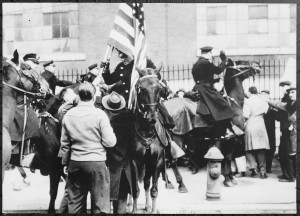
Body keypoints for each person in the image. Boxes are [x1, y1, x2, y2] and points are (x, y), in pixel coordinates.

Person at [59, 82, 116, 214]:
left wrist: (65, 163)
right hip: (97, 163)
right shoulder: (100, 114)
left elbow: (65, 143)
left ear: (79, 95)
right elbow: (110, 142)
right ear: (94, 95)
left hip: (75, 163)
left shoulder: (69, 115)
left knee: (75, 205)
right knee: (100, 205)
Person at [101, 49, 174, 129]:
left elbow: (156, 78)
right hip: (127, 98)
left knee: (156, 108)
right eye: (119, 54)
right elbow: (109, 80)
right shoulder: (121, 66)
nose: (121, 57)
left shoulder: (144, 62)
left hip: (144, 96)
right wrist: (106, 69)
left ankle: (168, 131)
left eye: (123, 54)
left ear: (131, 53)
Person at [102, 91, 134, 214]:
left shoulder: (104, 118)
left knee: (105, 198)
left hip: (108, 163)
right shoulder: (129, 119)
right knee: (122, 198)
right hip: (124, 164)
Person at [189, 46, 236, 123]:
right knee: (223, 105)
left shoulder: (197, 63)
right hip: (205, 89)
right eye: (210, 53)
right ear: (208, 53)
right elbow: (218, 70)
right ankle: (223, 128)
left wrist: (216, 80)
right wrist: (224, 60)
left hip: (197, 87)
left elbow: (203, 78)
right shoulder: (205, 63)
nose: (211, 55)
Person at [267, 85, 296, 182]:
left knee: (289, 155)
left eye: (293, 92)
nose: (290, 94)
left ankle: (290, 177)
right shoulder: (290, 104)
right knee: (284, 154)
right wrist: (267, 100)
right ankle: (287, 175)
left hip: (293, 134)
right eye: (290, 92)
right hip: (288, 132)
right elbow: (279, 105)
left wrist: (293, 125)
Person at [243, 86, 270, 179]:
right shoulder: (262, 101)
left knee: (249, 149)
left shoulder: (247, 101)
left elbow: (245, 115)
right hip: (260, 126)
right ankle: (263, 172)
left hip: (250, 125)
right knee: (261, 149)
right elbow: (266, 111)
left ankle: (253, 168)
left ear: (249, 92)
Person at [260, 90, 277, 173]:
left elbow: (278, 117)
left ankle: (268, 168)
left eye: (265, 96)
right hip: (261, 132)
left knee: (271, 149)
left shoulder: (273, 109)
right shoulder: (259, 108)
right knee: (261, 149)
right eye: (262, 96)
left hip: (270, 132)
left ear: (267, 97)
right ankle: (261, 167)